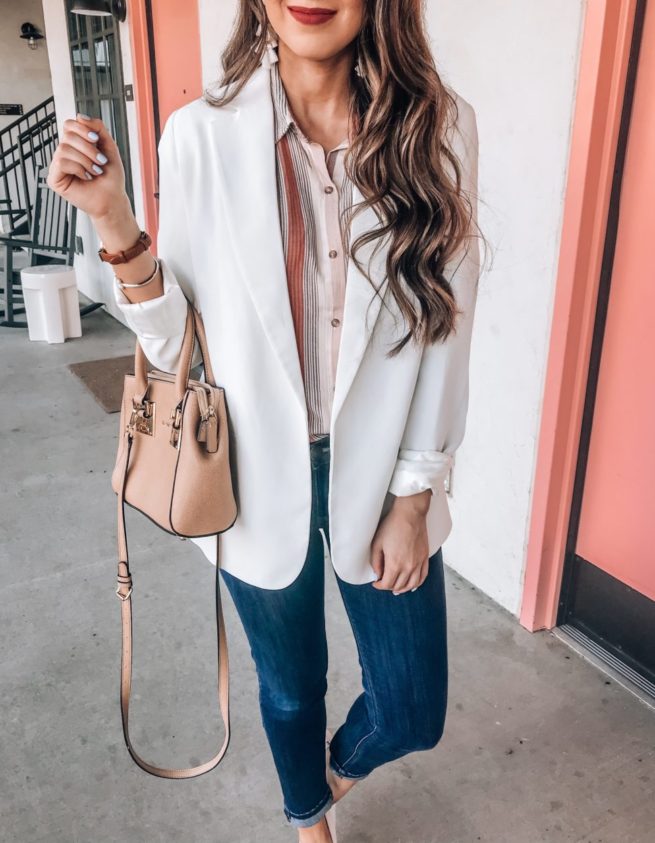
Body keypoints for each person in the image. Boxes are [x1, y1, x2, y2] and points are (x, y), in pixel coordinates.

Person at [48, 2, 480, 840]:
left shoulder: (439, 128)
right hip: (246, 470)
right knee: (290, 686)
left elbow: (445, 328)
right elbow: (180, 341)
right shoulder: (199, 136)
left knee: (411, 708)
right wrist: (112, 217)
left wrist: (416, 492)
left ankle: (325, 775)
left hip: (383, 471)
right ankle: (304, 818)